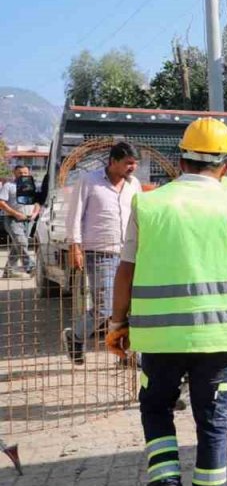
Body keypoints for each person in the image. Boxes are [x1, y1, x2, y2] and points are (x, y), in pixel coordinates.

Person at [105, 117, 227, 486]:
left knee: (156, 408)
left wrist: (117, 323)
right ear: (225, 166)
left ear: (181, 161)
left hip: (159, 336)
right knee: (213, 420)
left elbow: (125, 271)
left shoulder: (147, 203)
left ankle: (167, 485)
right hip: (219, 336)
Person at [63, 141, 143, 364]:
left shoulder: (134, 184)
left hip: (130, 253)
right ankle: (75, 336)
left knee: (132, 305)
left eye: (135, 163)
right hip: (100, 252)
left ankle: (127, 353)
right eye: (128, 163)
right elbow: (75, 214)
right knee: (105, 306)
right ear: (113, 161)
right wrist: (75, 245)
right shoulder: (89, 181)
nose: (132, 167)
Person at [1, 165, 42, 278]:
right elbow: (1, 203)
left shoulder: (32, 186)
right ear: (14, 173)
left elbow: (37, 202)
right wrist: (16, 214)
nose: (23, 175)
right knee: (21, 243)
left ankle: (9, 271)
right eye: (20, 173)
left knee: (17, 245)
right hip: (12, 219)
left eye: (25, 173)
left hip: (29, 220)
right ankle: (30, 267)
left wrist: (35, 214)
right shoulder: (8, 186)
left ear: (29, 173)